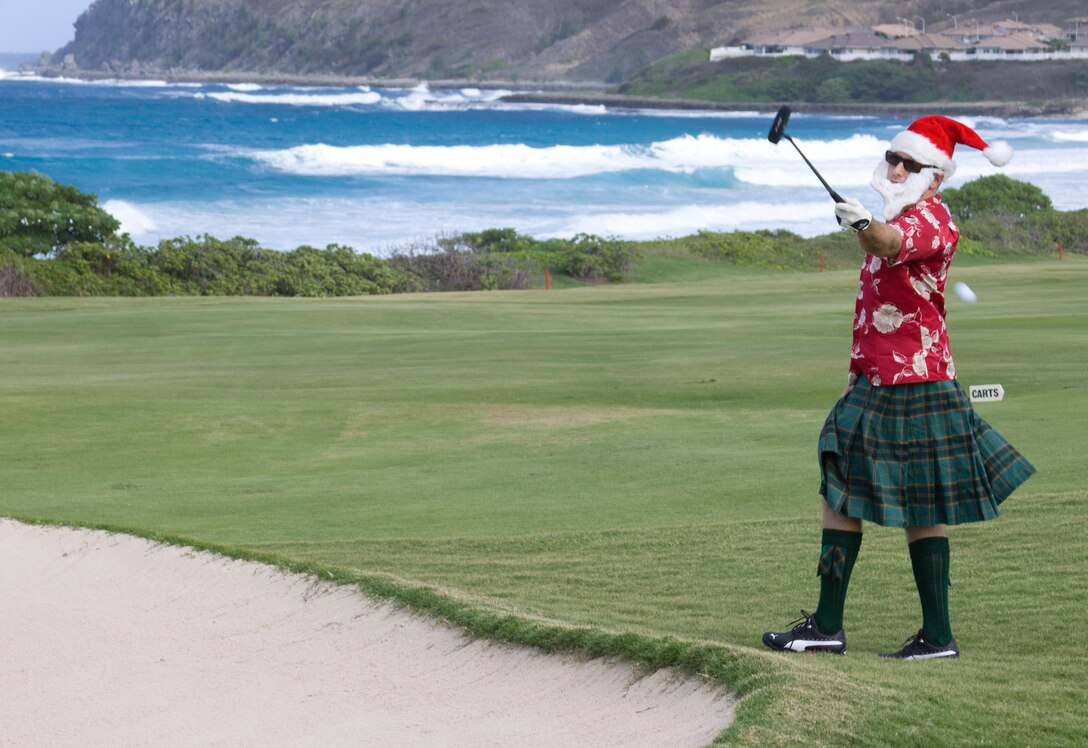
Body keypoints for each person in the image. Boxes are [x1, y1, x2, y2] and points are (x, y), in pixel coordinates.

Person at [762, 116, 1036, 660]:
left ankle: (833, 625)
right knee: (915, 500)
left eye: (908, 164)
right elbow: (876, 300)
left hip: (911, 378)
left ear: (934, 177)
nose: (896, 168)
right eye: (893, 157)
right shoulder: (897, 214)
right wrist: (854, 372)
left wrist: (864, 223)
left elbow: (889, 243)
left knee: (846, 478)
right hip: (892, 375)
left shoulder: (930, 219)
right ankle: (932, 637)